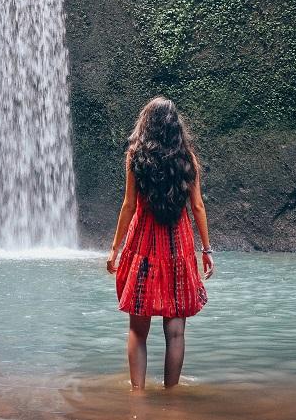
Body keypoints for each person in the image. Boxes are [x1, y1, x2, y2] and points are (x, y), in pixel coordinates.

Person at [106, 96, 213, 390]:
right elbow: (198, 207)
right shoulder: (187, 159)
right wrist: (206, 250)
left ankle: (137, 397)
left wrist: (115, 248)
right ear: (175, 127)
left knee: (137, 331)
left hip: (142, 246)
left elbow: (128, 206)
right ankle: (172, 396)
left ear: (147, 124)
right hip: (178, 246)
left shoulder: (135, 156)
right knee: (175, 332)